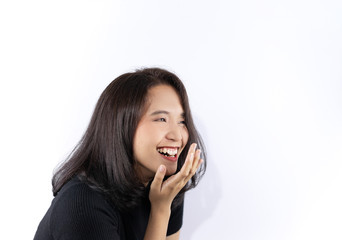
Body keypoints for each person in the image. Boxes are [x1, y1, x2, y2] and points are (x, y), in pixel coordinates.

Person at [34, 67, 206, 240]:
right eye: (161, 119)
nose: (177, 135)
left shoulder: (166, 187)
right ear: (122, 125)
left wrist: (163, 204)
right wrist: (160, 211)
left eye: (181, 121)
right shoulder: (82, 203)